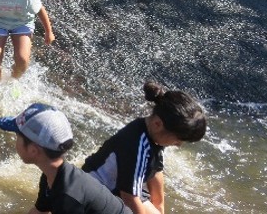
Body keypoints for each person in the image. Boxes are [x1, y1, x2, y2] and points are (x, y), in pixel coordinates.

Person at [82, 81, 207, 214]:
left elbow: (156, 171)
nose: (179, 144)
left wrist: (159, 208)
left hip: (119, 188)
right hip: (95, 191)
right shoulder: (136, 146)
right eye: (178, 139)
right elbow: (129, 198)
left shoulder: (153, 136)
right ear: (158, 123)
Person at [0, 103, 133, 214]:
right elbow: (39, 212)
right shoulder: (52, 176)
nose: (15, 141)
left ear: (33, 150)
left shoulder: (68, 198)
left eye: (18, 136)